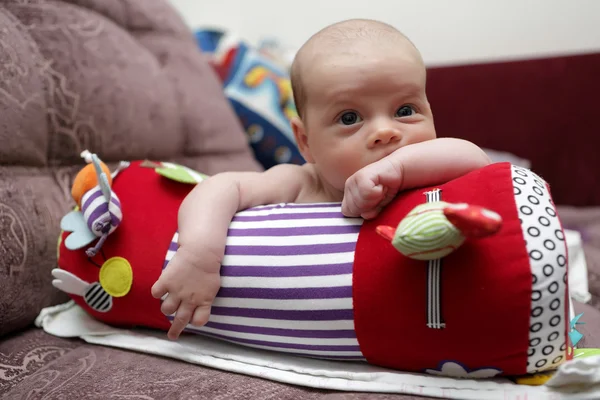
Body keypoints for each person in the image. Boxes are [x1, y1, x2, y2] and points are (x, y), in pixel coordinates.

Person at [151, 19, 492, 340]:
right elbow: (220, 187)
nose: (386, 131)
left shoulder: (432, 173)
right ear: (305, 141)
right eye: (349, 117)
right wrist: (199, 256)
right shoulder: (303, 184)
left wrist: (398, 169)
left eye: (405, 111)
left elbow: (476, 160)